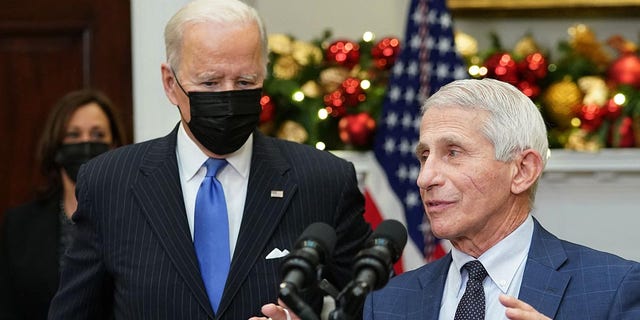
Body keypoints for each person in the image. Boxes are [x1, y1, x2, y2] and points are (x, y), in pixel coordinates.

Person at [47, 0, 371, 319]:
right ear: (170, 83)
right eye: (210, 82)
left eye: (245, 82)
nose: (228, 97)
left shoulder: (323, 180)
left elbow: (376, 307)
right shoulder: (110, 183)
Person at [358, 78, 640, 319]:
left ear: (522, 170)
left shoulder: (613, 288)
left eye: (453, 153)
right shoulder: (385, 303)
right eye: (424, 156)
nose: (425, 178)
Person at [0, 89, 127, 320]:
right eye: (73, 135)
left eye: (98, 135)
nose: (86, 143)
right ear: (56, 146)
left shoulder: (134, 217)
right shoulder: (19, 225)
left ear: (115, 145)